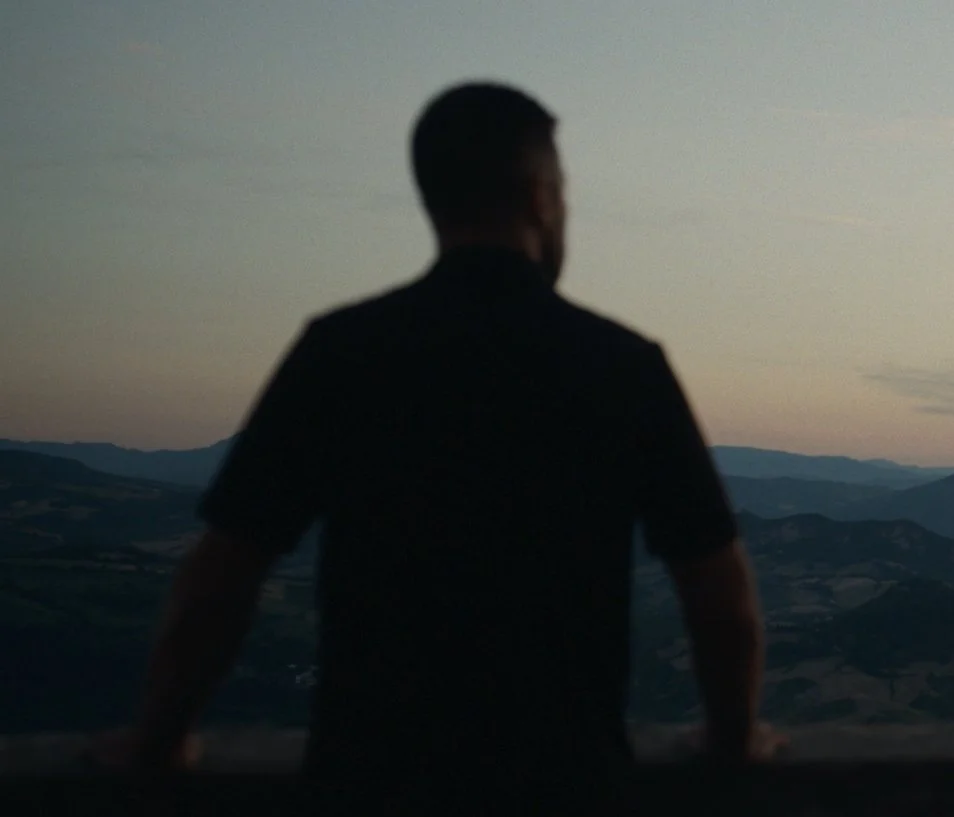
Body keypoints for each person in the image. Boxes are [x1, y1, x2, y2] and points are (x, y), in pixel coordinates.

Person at [90, 81, 783, 811]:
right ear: (541, 196)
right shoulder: (623, 365)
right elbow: (718, 593)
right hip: (565, 782)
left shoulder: (341, 351)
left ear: (434, 198)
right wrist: (733, 739)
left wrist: (159, 742)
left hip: (368, 781)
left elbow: (221, 580)